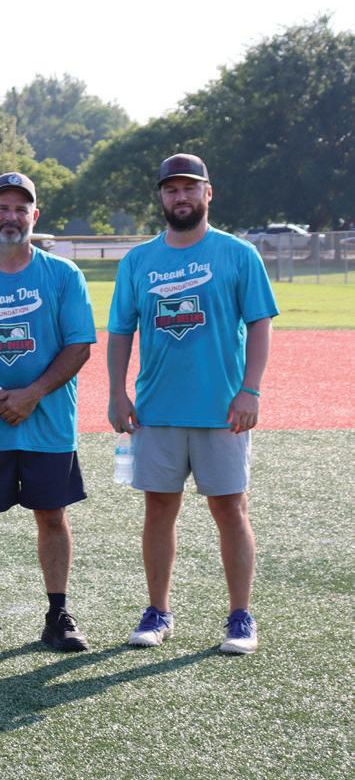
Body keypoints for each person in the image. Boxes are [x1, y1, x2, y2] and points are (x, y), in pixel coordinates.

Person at [108, 153, 277, 655]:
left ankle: (240, 616)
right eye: (171, 189)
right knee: (159, 508)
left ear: (208, 192)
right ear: (161, 197)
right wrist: (116, 391)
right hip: (157, 408)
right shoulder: (138, 260)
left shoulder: (238, 254)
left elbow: (260, 323)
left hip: (222, 410)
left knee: (230, 509)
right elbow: (121, 330)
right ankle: (158, 611)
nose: (179, 197)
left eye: (189, 188)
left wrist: (250, 390)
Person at [0, 173, 96, 653]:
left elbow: (79, 345)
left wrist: (32, 393)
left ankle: (58, 614)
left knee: (52, 515)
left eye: (20, 209)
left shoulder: (63, 274)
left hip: (47, 423)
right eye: (2, 208)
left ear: (35, 215)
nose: (11, 217)